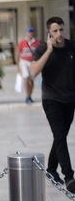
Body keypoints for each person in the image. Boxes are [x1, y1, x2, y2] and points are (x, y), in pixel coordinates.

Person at [30, 16, 75, 191]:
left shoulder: (72, 46)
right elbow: (33, 71)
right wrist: (49, 51)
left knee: (60, 137)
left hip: (70, 100)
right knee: (60, 135)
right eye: (55, 31)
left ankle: (50, 169)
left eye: (61, 29)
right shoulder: (42, 49)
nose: (59, 34)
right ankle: (69, 176)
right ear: (49, 32)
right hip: (51, 100)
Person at [16, 26, 40, 103]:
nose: (30, 33)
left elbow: (39, 53)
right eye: (29, 32)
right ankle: (27, 96)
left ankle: (30, 95)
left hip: (33, 62)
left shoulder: (37, 42)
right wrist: (18, 65)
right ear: (26, 33)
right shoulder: (22, 42)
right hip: (24, 61)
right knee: (26, 78)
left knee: (31, 80)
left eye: (31, 31)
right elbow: (18, 53)